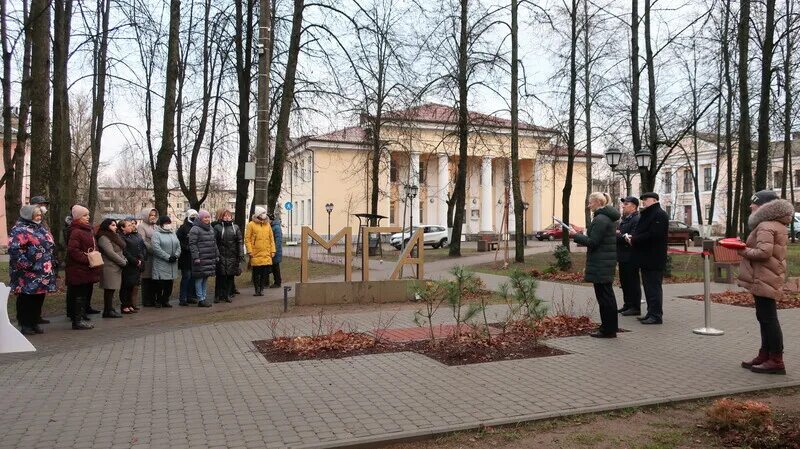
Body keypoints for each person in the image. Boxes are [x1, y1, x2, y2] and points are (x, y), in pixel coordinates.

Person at [738, 190, 792, 375]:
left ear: (764, 206)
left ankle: (776, 360)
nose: (751, 206)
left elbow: (763, 253)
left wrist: (742, 250)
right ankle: (766, 354)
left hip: (765, 276)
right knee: (764, 317)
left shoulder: (766, 226)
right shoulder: (774, 224)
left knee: (768, 318)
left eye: (754, 203)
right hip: (767, 276)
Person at [570, 192, 621, 338]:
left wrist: (575, 235)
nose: (588, 205)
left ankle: (608, 330)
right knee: (607, 296)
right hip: (605, 262)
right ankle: (609, 327)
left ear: (598, 202)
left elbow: (593, 242)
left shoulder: (600, 219)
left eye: (590, 202)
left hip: (601, 262)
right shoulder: (606, 218)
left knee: (604, 297)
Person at [8, 205, 57, 335]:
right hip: (27, 272)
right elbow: (14, 250)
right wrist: (27, 264)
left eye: (40, 214)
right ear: (28, 215)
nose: (39, 217)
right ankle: (25, 323)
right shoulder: (20, 229)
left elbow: (48, 245)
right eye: (36, 214)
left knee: (39, 297)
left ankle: (35, 321)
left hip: (43, 270)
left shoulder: (41, 228)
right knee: (26, 298)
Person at [626, 192, 668, 325]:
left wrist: (635, 239)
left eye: (646, 199)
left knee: (654, 287)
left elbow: (655, 235)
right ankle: (651, 312)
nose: (643, 201)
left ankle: (656, 315)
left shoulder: (659, 214)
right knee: (648, 287)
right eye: (643, 199)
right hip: (646, 257)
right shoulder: (649, 213)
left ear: (655, 200)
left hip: (654, 257)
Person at [65, 205, 100, 330]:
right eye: (85, 215)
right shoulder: (76, 231)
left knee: (83, 294)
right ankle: (77, 320)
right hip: (78, 269)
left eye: (88, 215)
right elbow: (73, 251)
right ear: (78, 217)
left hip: (86, 269)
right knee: (78, 294)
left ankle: (80, 317)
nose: (88, 217)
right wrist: (88, 259)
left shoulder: (87, 230)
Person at [96, 218, 128, 318]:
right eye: (112, 225)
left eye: (115, 225)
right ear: (107, 226)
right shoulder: (103, 237)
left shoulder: (114, 235)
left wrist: (124, 259)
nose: (115, 227)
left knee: (112, 289)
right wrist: (123, 262)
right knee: (109, 289)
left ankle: (110, 308)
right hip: (109, 266)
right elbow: (110, 253)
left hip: (116, 265)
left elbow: (119, 250)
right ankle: (107, 310)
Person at [616, 196, 642, 316]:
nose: (623, 206)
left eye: (626, 204)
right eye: (624, 204)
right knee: (625, 282)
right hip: (623, 255)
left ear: (633, 206)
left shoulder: (636, 219)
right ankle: (627, 304)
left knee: (632, 282)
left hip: (631, 256)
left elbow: (631, 237)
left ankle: (635, 307)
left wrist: (618, 235)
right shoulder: (626, 219)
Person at [189, 210, 219, 307]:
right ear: (200, 218)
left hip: (209, 258)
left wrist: (217, 254)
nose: (207, 219)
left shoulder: (210, 228)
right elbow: (192, 244)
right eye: (205, 217)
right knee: (199, 279)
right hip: (200, 259)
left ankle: (204, 297)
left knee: (205, 278)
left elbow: (214, 243)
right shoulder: (195, 229)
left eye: (208, 217)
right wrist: (196, 257)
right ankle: (200, 299)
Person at [245, 206, 276, 296]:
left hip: (266, 252)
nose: (264, 215)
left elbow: (271, 239)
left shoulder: (267, 224)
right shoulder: (251, 224)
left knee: (264, 273)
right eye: (262, 213)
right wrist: (250, 251)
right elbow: (247, 239)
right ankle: (256, 289)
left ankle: (261, 289)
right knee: (256, 273)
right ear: (258, 214)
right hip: (256, 253)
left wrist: (273, 251)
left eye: (265, 213)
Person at [213, 208, 242, 303]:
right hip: (220, 255)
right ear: (221, 217)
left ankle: (227, 295)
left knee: (230, 276)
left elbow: (239, 242)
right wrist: (216, 254)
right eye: (225, 216)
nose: (227, 217)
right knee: (220, 276)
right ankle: (217, 295)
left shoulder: (236, 227)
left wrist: (240, 253)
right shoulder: (217, 227)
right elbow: (214, 242)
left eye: (229, 216)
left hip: (232, 256)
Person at [151, 216, 181, 308]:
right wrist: (167, 257)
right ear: (161, 224)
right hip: (161, 263)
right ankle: (158, 300)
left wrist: (176, 255)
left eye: (169, 223)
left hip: (172, 263)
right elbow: (156, 248)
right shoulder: (156, 234)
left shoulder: (173, 233)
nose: (168, 225)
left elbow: (178, 246)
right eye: (166, 223)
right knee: (160, 284)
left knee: (169, 284)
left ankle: (166, 300)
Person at [119, 218, 145, 314]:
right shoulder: (121, 237)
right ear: (122, 228)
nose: (132, 227)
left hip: (136, 264)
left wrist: (141, 259)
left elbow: (140, 248)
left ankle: (129, 304)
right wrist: (134, 261)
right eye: (129, 225)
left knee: (132, 285)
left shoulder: (132, 236)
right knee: (126, 285)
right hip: (128, 264)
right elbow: (125, 252)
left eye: (132, 225)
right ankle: (124, 305)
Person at [137, 208, 159, 307]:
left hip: (156, 256)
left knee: (154, 279)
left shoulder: (156, 227)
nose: (153, 217)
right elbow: (142, 241)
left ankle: (153, 299)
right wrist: (153, 249)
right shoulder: (141, 226)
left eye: (154, 215)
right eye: (151, 215)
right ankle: (146, 300)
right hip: (147, 256)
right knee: (146, 278)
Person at [177, 209, 198, 306]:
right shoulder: (183, 228)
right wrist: (185, 247)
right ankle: (183, 298)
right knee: (186, 277)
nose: (194, 217)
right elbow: (178, 241)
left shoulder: (198, 227)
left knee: (193, 277)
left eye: (196, 215)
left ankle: (191, 296)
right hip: (185, 257)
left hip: (195, 257)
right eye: (192, 216)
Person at [268, 213, 283, 288]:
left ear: (271, 219)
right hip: (273, 250)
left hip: (275, 251)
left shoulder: (276, 227)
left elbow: (278, 240)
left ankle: (277, 282)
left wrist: (275, 250)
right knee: (274, 267)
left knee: (275, 267)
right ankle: (276, 282)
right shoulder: (272, 226)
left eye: (268, 219)